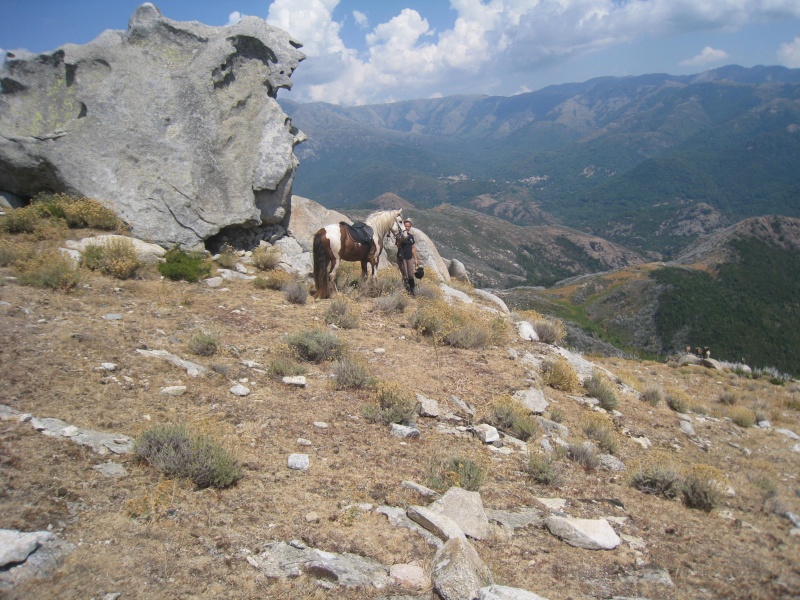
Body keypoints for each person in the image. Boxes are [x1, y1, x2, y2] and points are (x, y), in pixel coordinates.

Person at [397, 218, 419, 295]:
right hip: (402, 258)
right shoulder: (400, 236)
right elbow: (398, 246)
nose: (406, 227)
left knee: (410, 275)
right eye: (405, 226)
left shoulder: (411, 237)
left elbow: (413, 248)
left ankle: (412, 290)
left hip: (409, 257)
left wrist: (416, 259)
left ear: (410, 227)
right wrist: (400, 240)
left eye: (408, 226)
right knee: (405, 275)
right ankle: (406, 290)